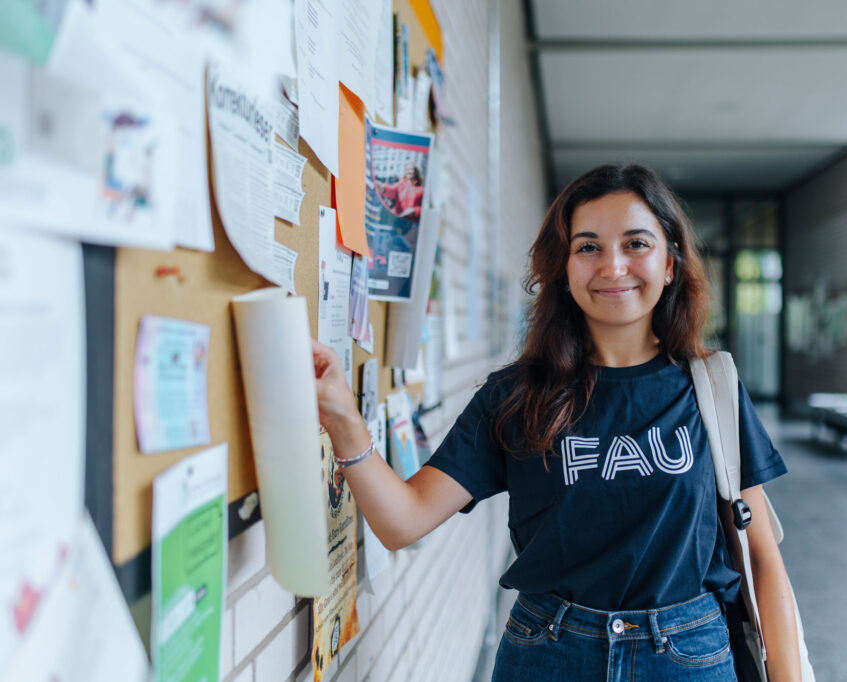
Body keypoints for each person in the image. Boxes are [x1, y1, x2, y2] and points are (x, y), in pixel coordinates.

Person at [311, 164, 800, 681]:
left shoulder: (713, 388)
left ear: (671, 262)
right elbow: (401, 521)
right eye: (588, 247)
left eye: (636, 243)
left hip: (687, 656)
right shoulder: (517, 396)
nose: (612, 266)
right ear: (564, 269)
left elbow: (764, 559)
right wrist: (345, 419)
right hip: (549, 655)